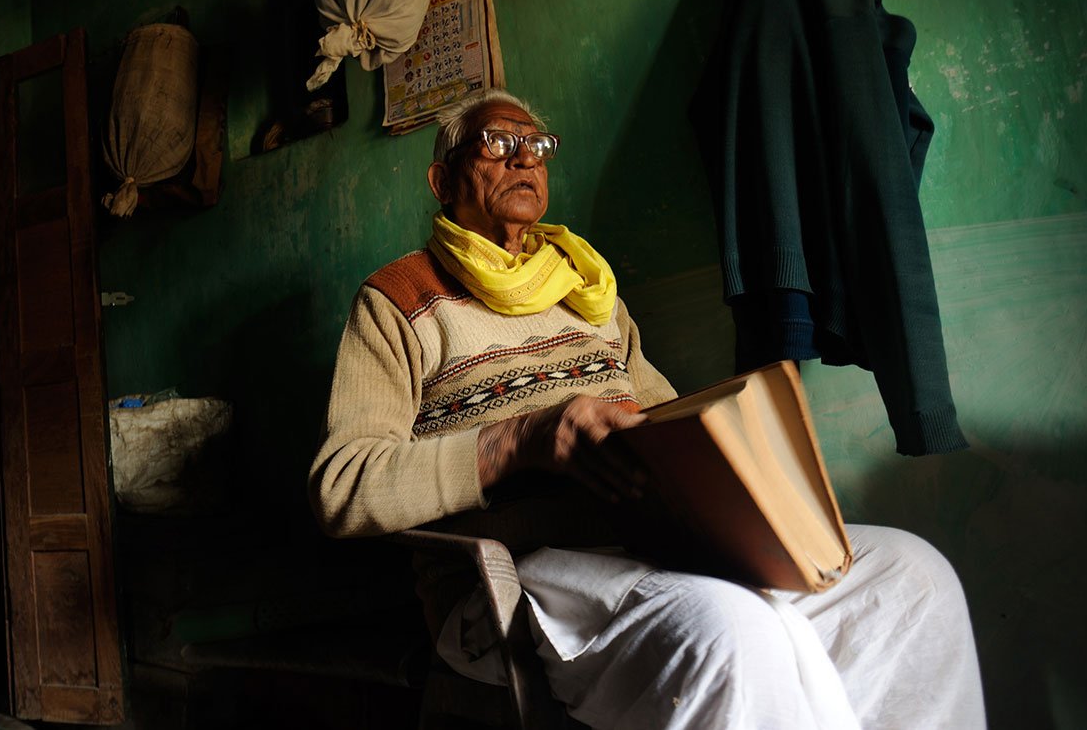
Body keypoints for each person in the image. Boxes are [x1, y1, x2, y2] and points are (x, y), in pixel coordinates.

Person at [309, 90, 985, 729]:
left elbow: (663, 416)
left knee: (913, 576)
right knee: (731, 629)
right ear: (442, 179)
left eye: (535, 144)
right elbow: (342, 487)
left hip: (657, 541)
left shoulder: (587, 291)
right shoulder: (395, 302)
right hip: (524, 571)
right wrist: (518, 439)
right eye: (497, 142)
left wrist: (733, 463)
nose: (523, 156)